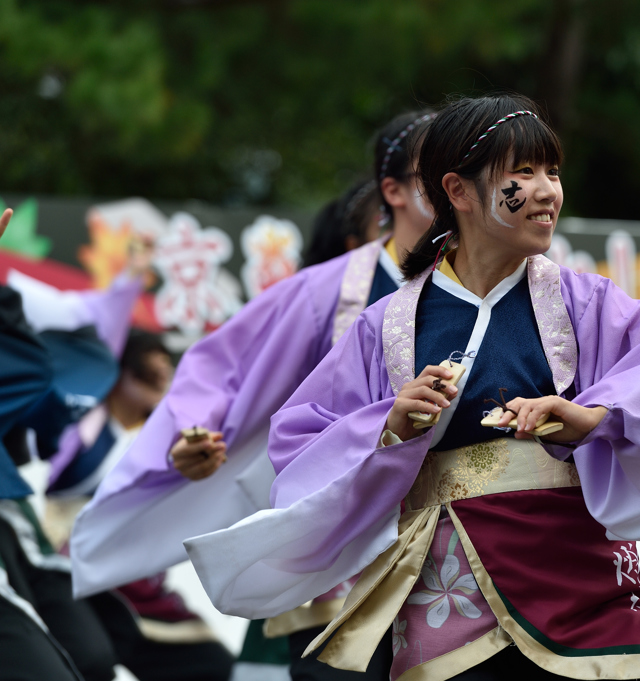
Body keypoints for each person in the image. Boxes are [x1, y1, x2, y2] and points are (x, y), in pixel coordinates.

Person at [185, 93, 640, 681]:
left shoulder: (587, 304)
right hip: (450, 587)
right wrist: (387, 423)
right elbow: (298, 441)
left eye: (552, 171)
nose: (548, 190)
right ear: (458, 191)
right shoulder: (387, 324)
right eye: (523, 173)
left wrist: (593, 418)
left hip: (581, 576)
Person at [71, 110, 436, 681]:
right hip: (339, 545)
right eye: (433, 171)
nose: (456, 183)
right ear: (393, 191)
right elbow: (222, 368)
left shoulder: (513, 288)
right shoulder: (327, 291)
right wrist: (191, 433)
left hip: (459, 550)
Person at [0, 206, 149, 681]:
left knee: (92, 656)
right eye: (156, 368)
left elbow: (35, 393)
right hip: (43, 528)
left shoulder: (103, 414)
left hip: (24, 524)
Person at [45, 329, 235, 681]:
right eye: (149, 369)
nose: (162, 374)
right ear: (120, 372)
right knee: (91, 659)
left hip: (135, 581)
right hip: (69, 567)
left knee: (212, 663)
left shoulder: (162, 436)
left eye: (166, 369)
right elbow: (54, 481)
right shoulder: (80, 425)